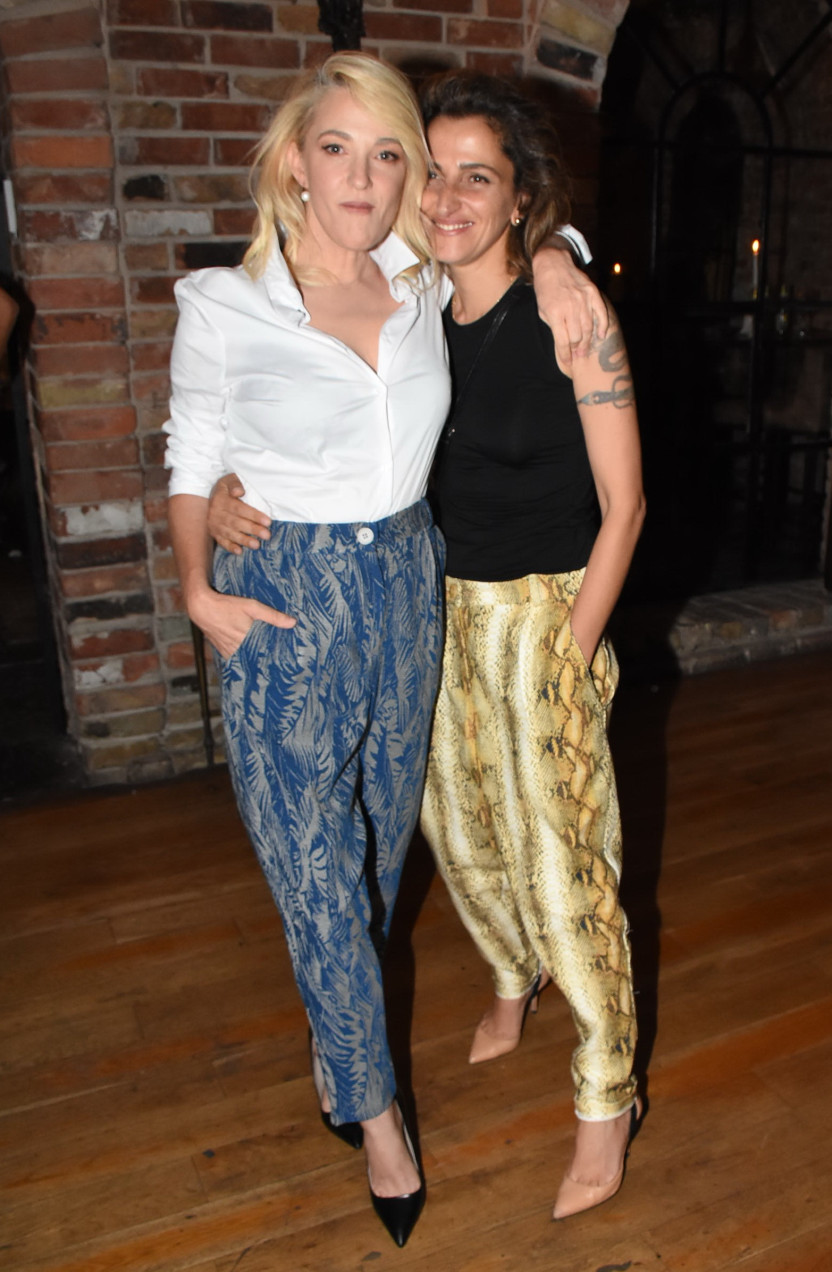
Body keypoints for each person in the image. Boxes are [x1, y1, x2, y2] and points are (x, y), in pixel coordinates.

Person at [165, 52, 603, 1246]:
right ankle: (376, 1118)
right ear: (294, 164)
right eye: (336, 148)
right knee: (312, 868)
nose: (361, 176)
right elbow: (191, 456)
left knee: (369, 858)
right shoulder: (226, 304)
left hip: (408, 583)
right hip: (281, 595)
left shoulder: (413, 274)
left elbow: (508, 233)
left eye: (386, 153)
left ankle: (337, 1045)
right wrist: (196, 584)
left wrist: (558, 258)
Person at [417, 71, 645, 1221]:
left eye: (479, 176)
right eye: (433, 172)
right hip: (436, 616)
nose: (449, 197)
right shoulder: (405, 310)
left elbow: (627, 506)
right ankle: (511, 977)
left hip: (548, 610)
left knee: (567, 869)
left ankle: (606, 1095)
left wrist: (571, 649)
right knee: (459, 836)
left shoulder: (572, 319)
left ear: (517, 199)